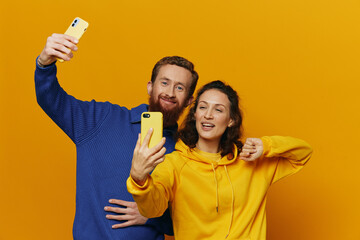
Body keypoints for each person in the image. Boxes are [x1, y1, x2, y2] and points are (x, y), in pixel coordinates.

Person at [34, 33, 198, 239]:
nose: (170, 92)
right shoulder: (101, 119)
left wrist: (151, 215)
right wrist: (44, 63)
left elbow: (195, 219)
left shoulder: (187, 152)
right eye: (164, 83)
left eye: (180, 87)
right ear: (150, 86)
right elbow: (51, 99)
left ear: (190, 100)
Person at [127, 80, 313, 240]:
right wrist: (139, 179)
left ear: (231, 120)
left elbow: (303, 153)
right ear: (195, 115)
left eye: (218, 109)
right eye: (203, 107)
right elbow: (152, 210)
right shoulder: (174, 163)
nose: (208, 114)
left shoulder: (251, 161)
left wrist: (267, 146)